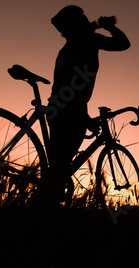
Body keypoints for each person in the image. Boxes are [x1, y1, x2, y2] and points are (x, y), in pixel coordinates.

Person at [47, 5, 130, 203]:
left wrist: (83, 117)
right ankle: (45, 210)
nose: (87, 20)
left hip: (58, 107)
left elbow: (65, 87)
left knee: (57, 165)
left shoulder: (67, 47)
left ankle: (44, 205)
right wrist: (109, 26)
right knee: (59, 170)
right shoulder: (87, 40)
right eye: (83, 19)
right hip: (70, 109)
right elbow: (123, 44)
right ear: (77, 24)